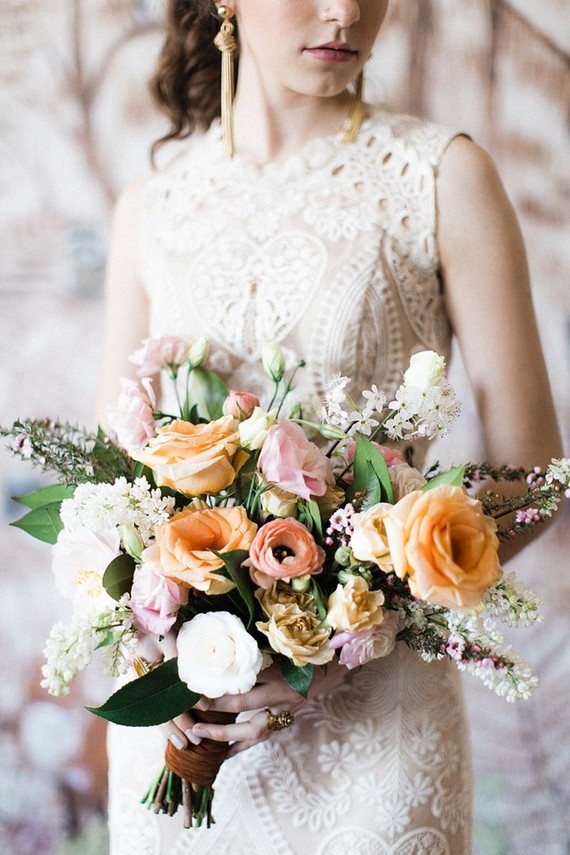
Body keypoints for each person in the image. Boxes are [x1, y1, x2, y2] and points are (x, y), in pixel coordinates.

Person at [96, 1, 563, 853]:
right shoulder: (151, 207)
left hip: (378, 744)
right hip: (186, 733)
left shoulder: (440, 175)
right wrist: (184, 645)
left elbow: (535, 476)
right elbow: (111, 491)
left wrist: (340, 624)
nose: (345, 10)